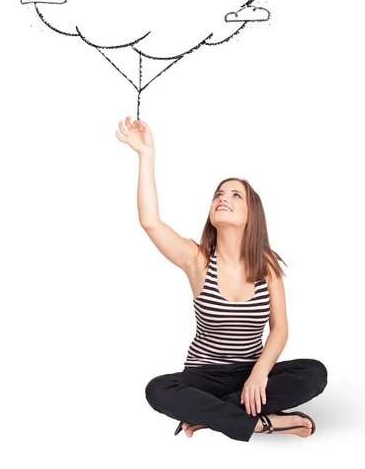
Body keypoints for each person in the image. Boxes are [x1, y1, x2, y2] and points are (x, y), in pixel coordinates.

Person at [115, 116, 328, 442]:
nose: (223, 198)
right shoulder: (197, 260)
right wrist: (146, 154)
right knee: (158, 390)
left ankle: (210, 416)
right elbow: (151, 222)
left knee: (314, 372)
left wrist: (259, 374)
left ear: (251, 215)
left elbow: (280, 329)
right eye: (219, 194)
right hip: (204, 376)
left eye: (235, 195)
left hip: (250, 372)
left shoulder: (267, 266)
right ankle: (260, 422)